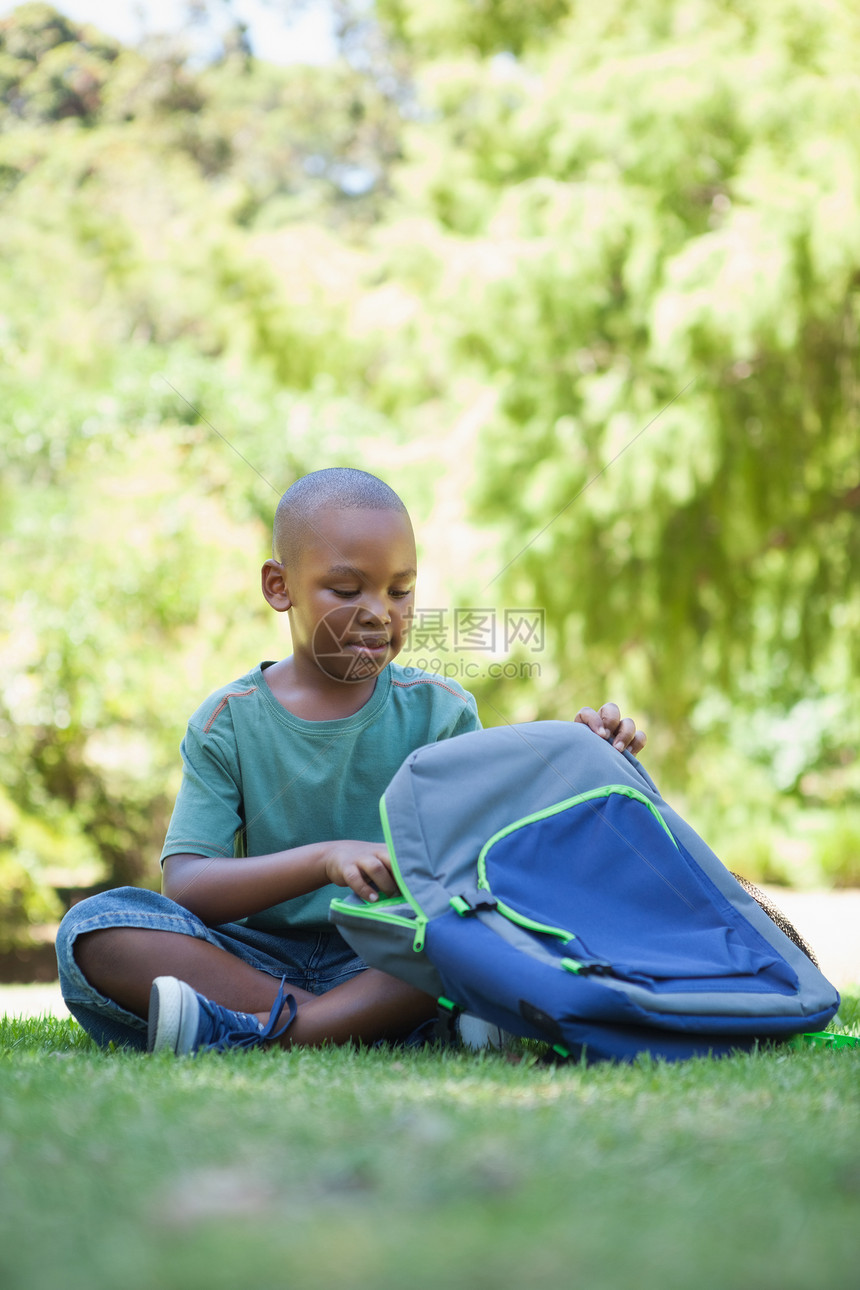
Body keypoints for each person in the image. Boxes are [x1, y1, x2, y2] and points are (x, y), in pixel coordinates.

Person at [55, 467, 645, 1056]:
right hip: (255, 958)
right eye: (346, 590)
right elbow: (186, 887)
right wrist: (324, 860)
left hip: (386, 954)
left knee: (485, 932)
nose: (378, 613)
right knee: (96, 928)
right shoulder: (227, 720)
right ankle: (370, 1025)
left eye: (399, 590)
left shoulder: (441, 712)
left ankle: (270, 1031)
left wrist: (578, 758)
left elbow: (492, 862)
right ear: (279, 586)